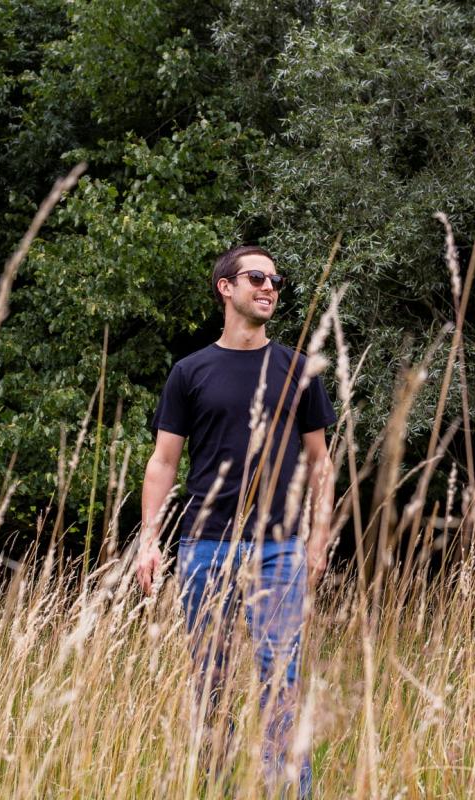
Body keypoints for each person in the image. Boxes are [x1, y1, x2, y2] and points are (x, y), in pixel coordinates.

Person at [135, 244, 337, 798]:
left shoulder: (298, 368)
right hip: (205, 546)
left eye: (276, 279)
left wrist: (318, 539)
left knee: (281, 684)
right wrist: (149, 540)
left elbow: (320, 461)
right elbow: (163, 461)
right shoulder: (189, 371)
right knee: (213, 685)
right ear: (226, 287)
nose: (269, 286)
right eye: (257, 277)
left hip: (279, 547)